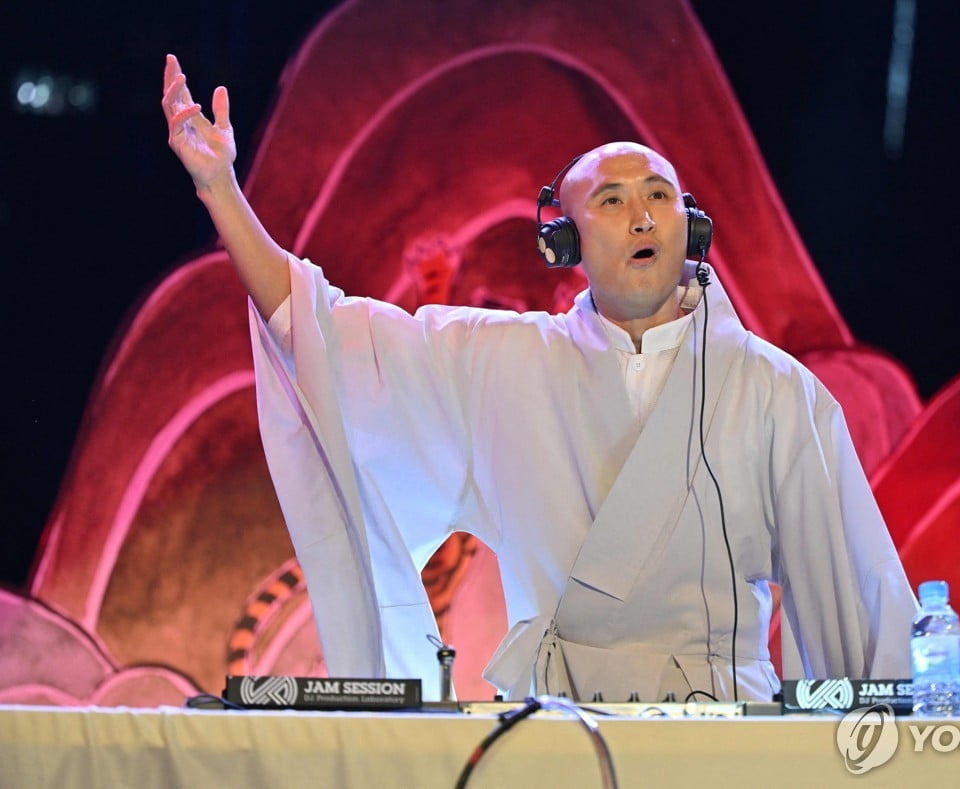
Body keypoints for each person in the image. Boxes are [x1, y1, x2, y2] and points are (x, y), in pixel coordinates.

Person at [162, 53, 916, 703]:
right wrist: (221, 191)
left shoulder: (774, 390)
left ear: (691, 224)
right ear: (566, 243)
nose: (642, 217)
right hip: (554, 733)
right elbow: (325, 332)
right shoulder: (506, 364)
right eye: (612, 202)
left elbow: (854, 595)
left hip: (721, 734)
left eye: (659, 196)